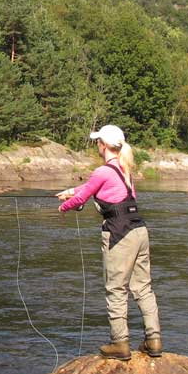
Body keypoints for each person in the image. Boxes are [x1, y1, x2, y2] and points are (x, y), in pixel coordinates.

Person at [57, 125, 162, 361]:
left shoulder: (102, 171)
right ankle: (154, 340)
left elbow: (84, 196)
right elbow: (90, 189)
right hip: (139, 230)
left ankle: (119, 344)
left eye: (97, 142)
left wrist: (64, 207)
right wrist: (70, 191)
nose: (96, 145)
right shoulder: (124, 170)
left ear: (103, 144)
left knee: (116, 288)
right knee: (143, 288)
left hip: (118, 233)